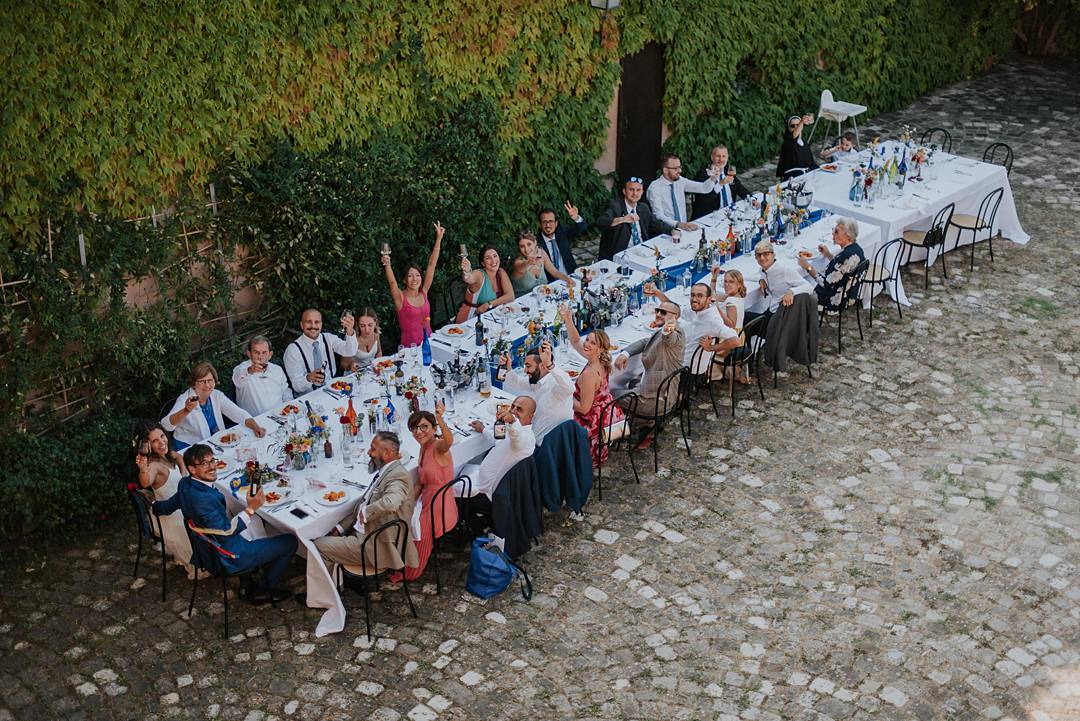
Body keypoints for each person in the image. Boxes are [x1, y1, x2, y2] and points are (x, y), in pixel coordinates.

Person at [153, 443, 298, 603]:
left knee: (256, 520)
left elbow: (169, 505)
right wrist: (250, 508)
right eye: (204, 464)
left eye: (212, 461)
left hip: (208, 549)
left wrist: (154, 506)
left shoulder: (186, 484)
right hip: (229, 555)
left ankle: (249, 577)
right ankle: (265, 590)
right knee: (290, 541)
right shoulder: (202, 500)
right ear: (192, 469)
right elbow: (226, 531)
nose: (212, 467)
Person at [313, 432, 419, 572]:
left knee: (317, 546)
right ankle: (337, 580)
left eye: (373, 449)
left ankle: (329, 592)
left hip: (374, 545)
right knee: (325, 531)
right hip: (365, 532)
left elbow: (391, 502)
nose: (369, 452)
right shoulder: (387, 471)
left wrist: (366, 513)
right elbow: (364, 504)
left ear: (387, 453)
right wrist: (339, 529)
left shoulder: (397, 477)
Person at [390, 404, 457, 582]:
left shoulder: (438, 447)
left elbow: (449, 441)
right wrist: (408, 501)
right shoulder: (424, 447)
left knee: (418, 530)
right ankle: (395, 556)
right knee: (398, 514)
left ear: (434, 429)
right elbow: (421, 480)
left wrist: (441, 419)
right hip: (427, 496)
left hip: (440, 506)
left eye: (424, 427)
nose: (419, 432)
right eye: (415, 428)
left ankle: (411, 571)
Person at [559, 306, 625, 465]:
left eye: (592, 342)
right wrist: (568, 319)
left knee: (554, 418)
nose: (586, 344)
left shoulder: (589, 374)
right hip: (605, 410)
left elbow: (583, 409)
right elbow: (575, 341)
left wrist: (564, 397)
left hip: (592, 422)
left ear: (600, 349)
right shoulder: (602, 360)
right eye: (587, 339)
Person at [610, 302, 685, 437]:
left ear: (675, 316)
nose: (658, 314)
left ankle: (619, 431)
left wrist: (668, 329)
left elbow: (670, 338)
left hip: (657, 401)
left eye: (663, 312)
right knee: (632, 382)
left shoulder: (675, 334)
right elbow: (646, 341)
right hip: (656, 388)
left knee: (611, 394)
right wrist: (625, 353)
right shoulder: (661, 332)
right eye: (657, 310)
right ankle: (646, 423)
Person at [133, 421, 194, 577]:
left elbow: (178, 456)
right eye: (155, 441)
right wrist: (143, 469)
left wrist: (182, 468)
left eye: (162, 436)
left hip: (178, 508)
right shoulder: (154, 466)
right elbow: (145, 481)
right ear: (148, 446)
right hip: (176, 519)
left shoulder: (166, 456)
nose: (161, 443)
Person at [161, 362, 266, 450]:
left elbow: (238, 414)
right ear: (194, 384)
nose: (207, 385)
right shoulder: (185, 398)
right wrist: (186, 410)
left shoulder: (216, 395)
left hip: (215, 443)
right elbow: (166, 425)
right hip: (190, 447)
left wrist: (256, 427)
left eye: (210, 381)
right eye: (202, 381)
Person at [645, 282, 738, 375]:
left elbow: (735, 340)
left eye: (699, 296)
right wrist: (658, 293)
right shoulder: (697, 309)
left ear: (709, 299)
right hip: (683, 357)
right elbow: (676, 309)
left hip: (687, 369)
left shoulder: (712, 320)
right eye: (692, 295)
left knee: (650, 355)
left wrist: (711, 348)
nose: (694, 299)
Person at [499, 339, 574, 445]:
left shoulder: (556, 387)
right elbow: (516, 383)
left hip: (546, 448)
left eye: (528, 366)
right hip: (538, 440)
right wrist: (508, 368)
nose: (525, 371)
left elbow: (570, 387)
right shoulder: (539, 381)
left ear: (543, 366)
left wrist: (550, 364)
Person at [382, 222, 442, 347]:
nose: (414, 279)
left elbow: (431, 266)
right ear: (404, 280)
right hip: (410, 349)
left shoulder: (424, 292)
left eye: (417, 275)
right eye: (410, 276)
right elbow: (392, 283)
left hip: (429, 343)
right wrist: (387, 265)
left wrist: (438, 239)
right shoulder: (401, 298)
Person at [467, 396, 537, 499]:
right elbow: (499, 439)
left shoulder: (527, 439)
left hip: (486, 490)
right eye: (512, 406)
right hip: (480, 476)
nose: (513, 411)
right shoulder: (513, 427)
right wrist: (483, 429)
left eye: (519, 409)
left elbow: (517, 440)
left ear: (530, 417)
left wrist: (513, 421)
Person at [282, 308, 358, 396]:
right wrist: (308, 378)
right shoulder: (292, 350)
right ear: (302, 325)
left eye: (317, 322)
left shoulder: (329, 338)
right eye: (308, 322)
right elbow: (296, 386)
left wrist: (350, 331)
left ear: (321, 325)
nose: (313, 326)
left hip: (334, 391)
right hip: (309, 397)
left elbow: (350, 351)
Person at [596, 177, 674, 261]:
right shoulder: (615, 206)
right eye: (631, 190)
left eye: (638, 190)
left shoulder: (643, 207)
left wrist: (673, 230)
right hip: (622, 255)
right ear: (624, 191)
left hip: (642, 251)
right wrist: (623, 219)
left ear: (642, 192)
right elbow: (601, 222)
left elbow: (657, 224)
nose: (635, 193)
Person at [745, 239, 815, 329]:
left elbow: (809, 287)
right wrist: (761, 280)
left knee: (742, 318)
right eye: (759, 255)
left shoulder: (785, 271)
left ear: (773, 255)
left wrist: (791, 291)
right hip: (773, 311)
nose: (762, 258)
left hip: (780, 320)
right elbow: (761, 276)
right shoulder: (764, 271)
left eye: (766, 254)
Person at [798, 217, 865, 311]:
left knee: (800, 284)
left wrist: (807, 267)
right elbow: (843, 268)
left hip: (833, 299)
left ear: (848, 236)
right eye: (833, 230)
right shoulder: (857, 250)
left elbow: (825, 283)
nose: (833, 233)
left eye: (836, 232)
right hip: (850, 293)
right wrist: (828, 254)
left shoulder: (844, 256)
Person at [645, 154, 717, 230]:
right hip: (666, 230)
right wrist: (678, 224)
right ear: (665, 170)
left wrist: (713, 178)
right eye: (675, 168)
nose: (680, 171)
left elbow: (704, 188)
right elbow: (658, 215)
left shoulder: (680, 181)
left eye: (680, 167)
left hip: (684, 228)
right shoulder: (655, 187)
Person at [231, 335, 291, 417]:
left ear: (270, 354)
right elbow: (237, 380)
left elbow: (285, 390)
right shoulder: (241, 369)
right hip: (255, 422)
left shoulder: (277, 369)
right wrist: (250, 370)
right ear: (249, 354)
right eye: (256, 352)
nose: (260, 357)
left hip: (281, 415)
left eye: (264, 352)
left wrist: (289, 406)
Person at [456, 245, 514, 323]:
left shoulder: (500, 272)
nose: (493, 261)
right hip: (471, 319)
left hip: (490, 318)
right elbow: (468, 278)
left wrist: (489, 304)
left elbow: (510, 296)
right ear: (483, 263)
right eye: (488, 258)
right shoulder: (479, 275)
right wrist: (466, 271)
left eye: (495, 256)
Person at [692, 145, 750, 219]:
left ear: (727, 157)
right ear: (712, 157)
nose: (721, 159)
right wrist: (720, 184)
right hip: (711, 216)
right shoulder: (704, 174)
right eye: (718, 156)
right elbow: (705, 199)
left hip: (730, 212)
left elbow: (740, 188)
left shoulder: (728, 170)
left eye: (724, 156)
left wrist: (752, 199)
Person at [509, 231, 573, 297]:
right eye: (522, 246)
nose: (526, 249)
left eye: (529, 244)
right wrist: (528, 262)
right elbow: (521, 267)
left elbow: (555, 272)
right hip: (522, 302)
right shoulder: (518, 262)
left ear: (535, 242)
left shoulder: (541, 253)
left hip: (543, 297)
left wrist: (567, 279)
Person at [537, 202, 585, 275]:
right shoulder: (536, 242)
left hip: (570, 274)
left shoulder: (562, 233)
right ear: (540, 225)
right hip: (551, 281)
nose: (548, 225)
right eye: (544, 222)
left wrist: (576, 218)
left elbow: (581, 229)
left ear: (556, 223)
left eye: (551, 221)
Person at [776, 114, 819, 179]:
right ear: (789, 128)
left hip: (807, 175)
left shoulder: (805, 143)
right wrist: (801, 122)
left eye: (798, 125)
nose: (796, 127)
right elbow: (794, 136)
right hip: (793, 178)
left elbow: (811, 164)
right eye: (793, 126)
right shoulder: (787, 142)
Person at [710, 267, 748, 333]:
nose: (726, 284)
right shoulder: (737, 295)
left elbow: (731, 326)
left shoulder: (731, 303)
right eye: (725, 281)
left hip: (729, 337)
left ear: (739, 285)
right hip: (738, 334)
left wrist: (718, 309)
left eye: (731, 282)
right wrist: (714, 277)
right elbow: (712, 295)